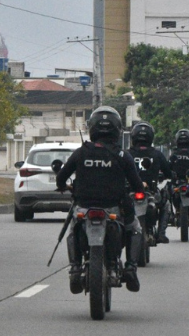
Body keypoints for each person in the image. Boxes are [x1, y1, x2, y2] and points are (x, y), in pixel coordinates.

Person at [56, 107, 145, 292]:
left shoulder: (81, 152)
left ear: (92, 128)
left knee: (73, 230)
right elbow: (137, 185)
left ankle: (75, 268)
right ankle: (130, 268)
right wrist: (139, 190)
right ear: (117, 129)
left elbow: (61, 178)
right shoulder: (122, 155)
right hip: (114, 208)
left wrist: (66, 187)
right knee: (135, 228)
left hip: (84, 208)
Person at [129, 122, 175, 244]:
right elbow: (168, 172)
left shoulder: (127, 154)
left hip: (130, 192)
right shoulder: (157, 154)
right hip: (152, 193)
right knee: (166, 205)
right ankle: (161, 234)